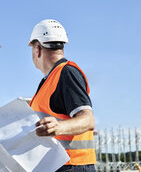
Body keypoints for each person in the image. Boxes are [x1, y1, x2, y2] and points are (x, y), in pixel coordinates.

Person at [28, 19, 96, 172]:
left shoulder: (66, 73)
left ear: (37, 48)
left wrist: (58, 126)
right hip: (55, 166)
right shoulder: (47, 81)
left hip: (72, 166)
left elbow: (88, 119)